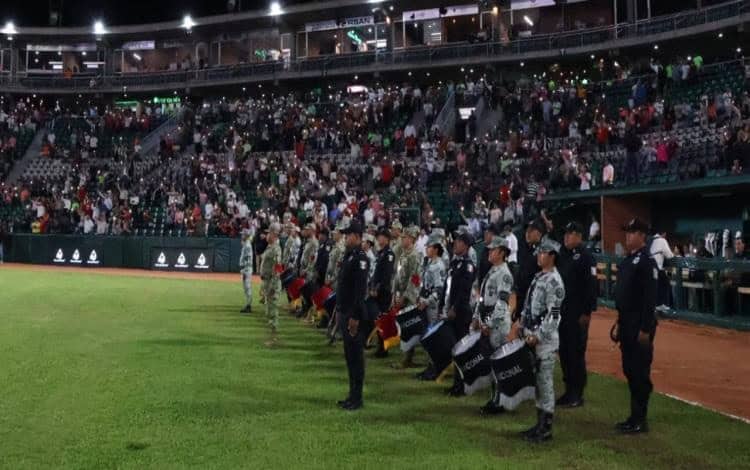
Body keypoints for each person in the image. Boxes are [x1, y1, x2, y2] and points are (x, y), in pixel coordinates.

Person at [612, 218, 658, 434]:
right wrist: (620, 323)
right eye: (627, 232)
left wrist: (646, 329)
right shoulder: (629, 260)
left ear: (642, 236)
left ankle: (640, 420)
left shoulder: (647, 262)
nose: (628, 236)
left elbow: (650, 299)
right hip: (627, 322)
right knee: (629, 369)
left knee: (639, 372)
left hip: (640, 324)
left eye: (632, 233)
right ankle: (634, 417)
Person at [519, 238, 565, 443]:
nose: (539, 255)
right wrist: (522, 324)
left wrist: (538, 336)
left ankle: (546, 428)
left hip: (544, 341)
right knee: (538, 382)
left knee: (545, 383)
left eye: (543, 253)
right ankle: (538, 424)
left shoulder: (555, 282)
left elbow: (554, 315)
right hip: (531, 336)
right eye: (539, 252)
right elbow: (529, 305)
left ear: (552, 256)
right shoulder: (539, 277)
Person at [556, 222, 597, 407]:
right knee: (564, 352)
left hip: (577, 313)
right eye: (565, 233)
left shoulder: (586, 257)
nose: (566, 237)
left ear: (579, 236)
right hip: (563, 313)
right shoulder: (562, 255)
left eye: (570, 234)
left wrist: (587, 312)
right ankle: (568, 391)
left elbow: (591, 286)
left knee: (576, 353)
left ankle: (577, 394)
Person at [472, 236, 514, 415]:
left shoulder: (504, 274)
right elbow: (482, 299)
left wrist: (489, 323)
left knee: (498, 364)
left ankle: (500, 402)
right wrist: (476, 317)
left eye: (493, 250)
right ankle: (496, 399)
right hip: (487, 320)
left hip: (497, 325)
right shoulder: (493, 271)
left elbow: (502, 304)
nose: (489, 252)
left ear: (502, 253)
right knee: (491, 363)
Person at [336, 220, 370, 411]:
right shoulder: (349, 256)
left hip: (353, 314)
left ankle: (357, 398)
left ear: (357, 237)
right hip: (345, 312)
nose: (346, 238)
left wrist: (355, 318)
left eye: (348, 235)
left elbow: (359, 291)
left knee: (356, 358)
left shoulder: (360, 259)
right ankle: (351, 395)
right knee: (349, 357)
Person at [444, 231, 477, 397]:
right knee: (455, 349)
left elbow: (464, 292)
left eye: (458, 241)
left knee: (461, 350)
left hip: (461, 313)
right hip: (453, 311)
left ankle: (463, 385)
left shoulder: (468, 265)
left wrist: (454, 309)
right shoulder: (455, 263)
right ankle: (456, 383)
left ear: (465, 245)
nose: (455, 243)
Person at [415, 234, 447, 381]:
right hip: (426, 302)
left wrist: (426, 301)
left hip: (433, 306)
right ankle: (430, 366)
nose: (426, 249)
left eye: (429, 247)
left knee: (432, 337)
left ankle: (436, 367)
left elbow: (439, 289)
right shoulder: (429, 263)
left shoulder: (438, 265)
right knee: (426, 337)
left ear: (436, 249)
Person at [391, 225, 423, 369]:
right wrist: (395, 293)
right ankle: (406, 356)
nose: (402, 239)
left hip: (409, 296)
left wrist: (404, 296)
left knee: (408, 326)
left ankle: (408, 358)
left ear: (412, 239)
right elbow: (398, 275)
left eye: (405, 237)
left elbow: (415, 279)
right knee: (403, 326)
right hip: (401, 293)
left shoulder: (414, 256)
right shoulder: (403, 254)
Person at [369, 228, 396, 357]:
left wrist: (377, 288)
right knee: (377, 319)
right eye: (378, 237)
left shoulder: (389, 254)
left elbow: (386, 275)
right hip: (376, 291)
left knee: (382, 319)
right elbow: (376, 273)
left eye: (381, 237)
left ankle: (384, 349)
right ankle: (380, 346)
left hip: (383, 292)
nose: (379, 239)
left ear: (387, 239)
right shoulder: (380, 253)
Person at [260, 223, 283, 346]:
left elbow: (278, 269)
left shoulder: (276, 249)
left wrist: (273, 287)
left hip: (272, 283)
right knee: (269, 310)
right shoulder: (270, 247)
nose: (267, 235)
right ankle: (272, 336)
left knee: (273, 311)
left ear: (274, 234)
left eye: (269, 233)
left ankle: (274, 338)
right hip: (267, 282)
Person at [516, 219, 545, 318]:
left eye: (531, 230)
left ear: (539, 233)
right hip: (523, 297)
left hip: (537, 300)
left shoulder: (545, 251)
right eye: (527, 230)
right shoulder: (524, 249)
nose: (527, 233)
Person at [649, 230, 675, 312]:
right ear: (664, 233)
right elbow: (669, 255)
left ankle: (657, 305)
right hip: (656, 267)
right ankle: (660, 305)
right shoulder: (662, 240)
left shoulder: (651, 239)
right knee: (665, 283)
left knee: (655, 286)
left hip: (648, 266)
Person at [239, 228, 255, 314]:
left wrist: (245, 270)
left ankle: (249, 305)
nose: (242, 235)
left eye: (243, 234)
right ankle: (248, 305)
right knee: (246, 288)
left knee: (247, 287)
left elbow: (248, 259)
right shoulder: (246, 244)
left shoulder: (247, 245)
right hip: (245, 269)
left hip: (247, 269)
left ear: (246, 235)